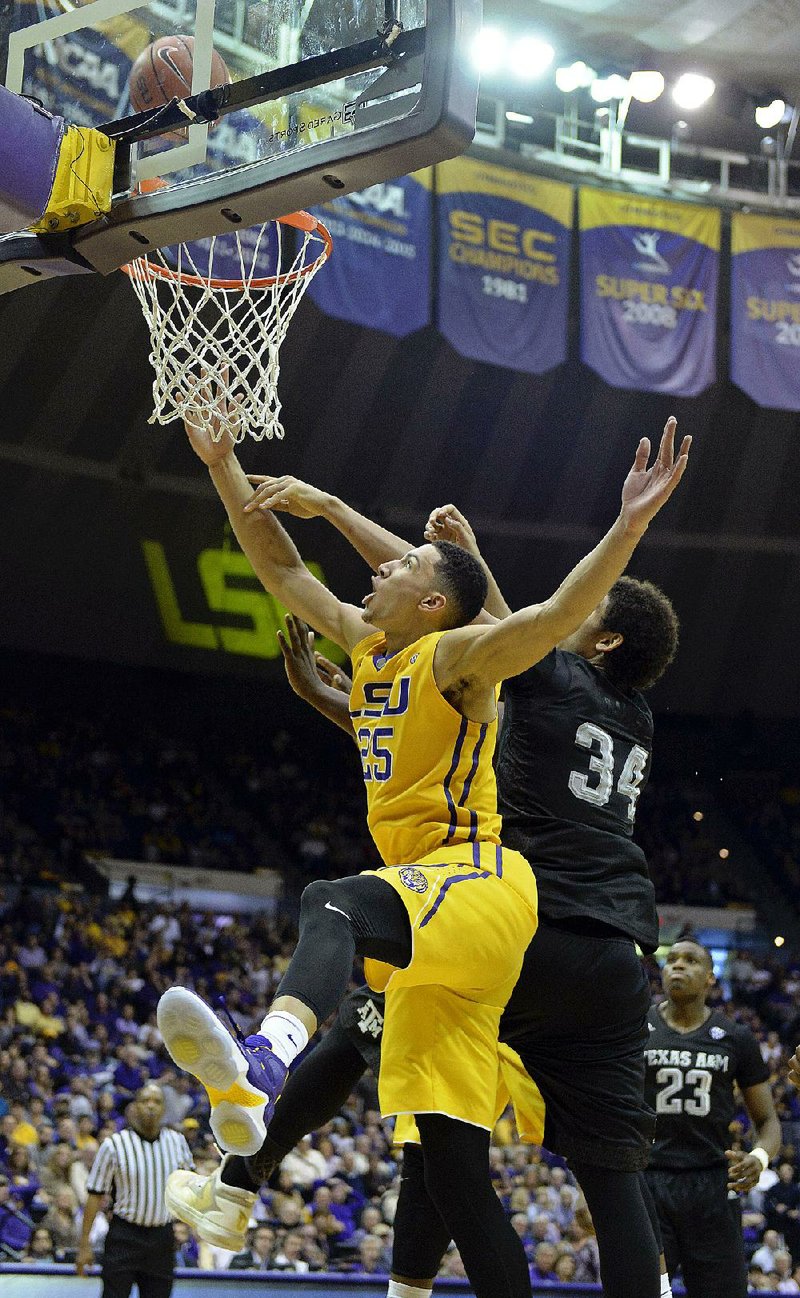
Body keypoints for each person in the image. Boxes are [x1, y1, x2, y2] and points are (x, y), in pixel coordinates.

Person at [157, 399, 688, 1298]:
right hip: (566, 937)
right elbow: (284, 569)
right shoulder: (385, 652)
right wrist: (222, 465)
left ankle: (260, 1083)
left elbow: (541, 613)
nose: (386, 561)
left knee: (334, 906)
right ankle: (257, 1176)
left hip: (490, 889)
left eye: (403, 562)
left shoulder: (468, 661)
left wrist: (628, 521)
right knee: (453, 1156)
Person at [642, 937, 781, 1298]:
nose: (678, 966)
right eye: (672, 959)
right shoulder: (636, 1028)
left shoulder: (736, 1037)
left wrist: (759, 1157)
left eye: (691, 960)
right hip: (648, 1181)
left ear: (710, 978)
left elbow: (767, 1122)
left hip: (714, 1186)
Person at [77, 1084, 194, 1297]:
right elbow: (95, 1196)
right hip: (124, 1235)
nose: (151, 1106)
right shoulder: (114, 1145)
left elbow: (190, 1188)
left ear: (164, 1109)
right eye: (145, 1101)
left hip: (162, 1236)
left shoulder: (177, 1142)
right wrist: (84, 1244)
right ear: (134, 1107)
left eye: (157, 1102)